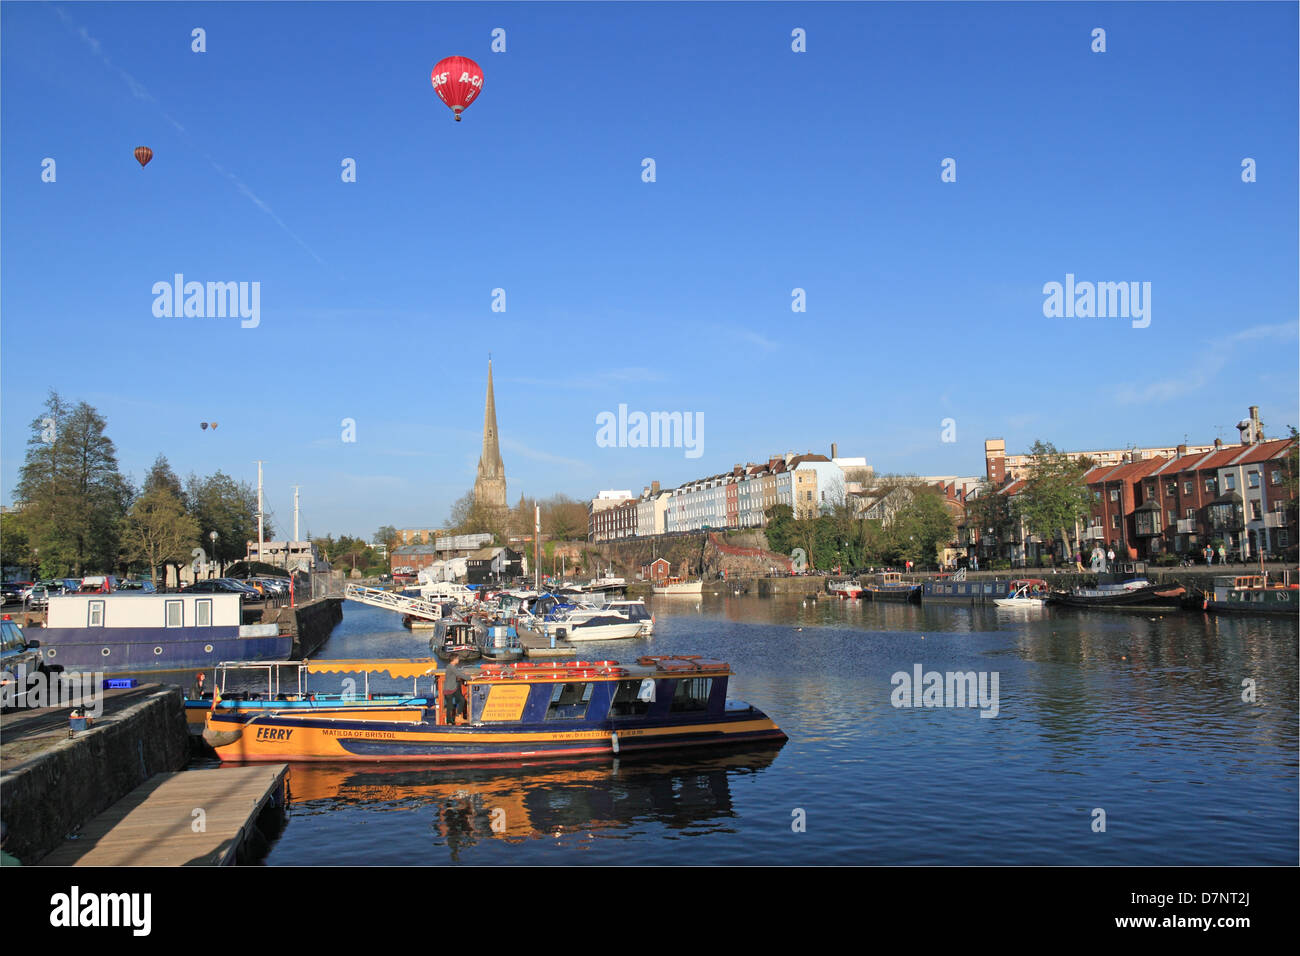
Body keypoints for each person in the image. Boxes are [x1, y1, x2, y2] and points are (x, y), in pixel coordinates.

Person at [442, 653, 467, 726]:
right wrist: (470, 678)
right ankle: (449, 722)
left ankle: (458, 715)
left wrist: (463, 674)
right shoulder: (451, 667)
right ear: (454, 659)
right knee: (450, 706)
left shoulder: (452, 667)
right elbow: (458, 674)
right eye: (458, 658)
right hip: (448, 690)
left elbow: (457, 674)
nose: (458, 660)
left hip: (453, 688)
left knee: (462, 699)